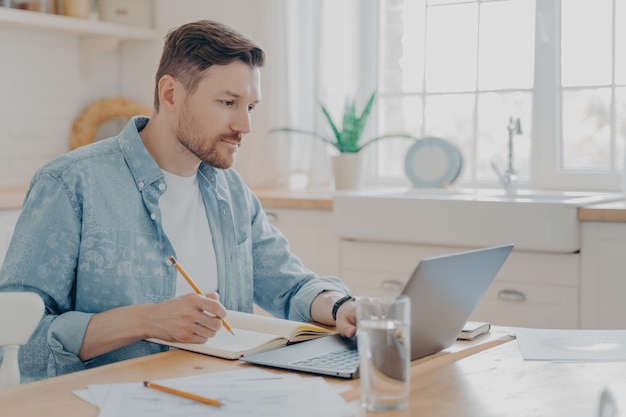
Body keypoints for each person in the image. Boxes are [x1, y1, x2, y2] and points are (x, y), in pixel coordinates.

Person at [0, 20, 357, 382]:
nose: (244, 126)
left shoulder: (232, 193)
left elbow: (290, 285)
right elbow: (15, 338)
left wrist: (342, 306)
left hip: (220, 394)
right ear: (170, 94)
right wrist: (145, 321)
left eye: (250, 107)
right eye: (228, 102)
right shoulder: (71, 183)